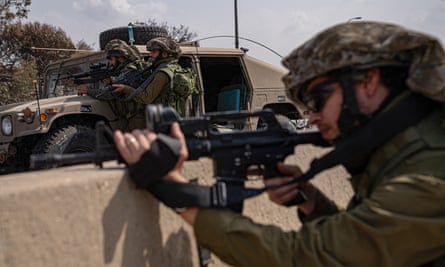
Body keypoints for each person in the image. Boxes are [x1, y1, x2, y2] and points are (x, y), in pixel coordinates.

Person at [113, 21, 445, 266]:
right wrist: (311, 203)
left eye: (317, 100)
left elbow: (305, 258)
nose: (311, 118)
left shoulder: (428, 177)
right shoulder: (408, 151)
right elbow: (367, 240)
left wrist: (175, 189)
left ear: (369, 81)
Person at [112, 37, 194, 117]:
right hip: (171, 115)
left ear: (164, 54)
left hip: (164, 118)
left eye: (154, 52)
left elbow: (146, 98)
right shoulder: (174, 67)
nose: (150, 54)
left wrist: (125, 89)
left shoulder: (163, 73)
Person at [77, 39, 148, 131]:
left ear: (120, 58)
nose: (110, 63)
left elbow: (109, 93)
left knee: (129, 143)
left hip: (138, 117)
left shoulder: (130, 71)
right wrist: (110, 82)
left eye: (111, 59)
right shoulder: (123, 71)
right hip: (130, 115)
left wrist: (88, 90)